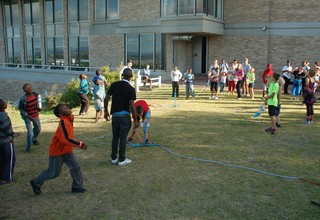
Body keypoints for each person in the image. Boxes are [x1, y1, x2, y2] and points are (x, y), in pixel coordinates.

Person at [30, 104, 88, 195]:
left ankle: (77, 187)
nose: (68, 108)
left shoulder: (69, 118)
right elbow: (65, 139)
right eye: (65, 108)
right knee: (54, 173)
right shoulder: (63, 122)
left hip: (67, 151)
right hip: (57, 152)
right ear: (61, 114)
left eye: (67, 106)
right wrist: (80, 144)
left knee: (76, 167)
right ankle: (36, 182)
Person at [104, 68, 139, 166]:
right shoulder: (131, 88)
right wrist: (135, 120)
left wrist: (106, 111)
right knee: (123, 138)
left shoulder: (114, 84)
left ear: (122, 75)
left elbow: (106, 98)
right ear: (131, 76)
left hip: (115, 116)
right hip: (125, 116)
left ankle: (113, 158)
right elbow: (132, 105)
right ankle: (122, 159)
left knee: (115, 137)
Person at [0, 99, 20, 185]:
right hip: (6, 141)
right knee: (10, 159)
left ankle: (1, 177)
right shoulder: (3, 116)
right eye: (4, 103)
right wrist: (13, 134)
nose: (6, 103)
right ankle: (7, 178)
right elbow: (7, 129)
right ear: (3, 106)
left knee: (2, 159)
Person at [18, 83, 41, 152]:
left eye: (30, 87)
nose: (29, 89)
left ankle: (33, 139)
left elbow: (38, 104)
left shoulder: (36, 95)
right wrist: (27, 116)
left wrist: (38, 108)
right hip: (27, 117)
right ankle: (28, 148)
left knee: (38, 129)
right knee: (30, 133)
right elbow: (21, 109)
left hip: (35, 115)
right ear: (24, 90)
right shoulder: (23, 99)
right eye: (27, 88)